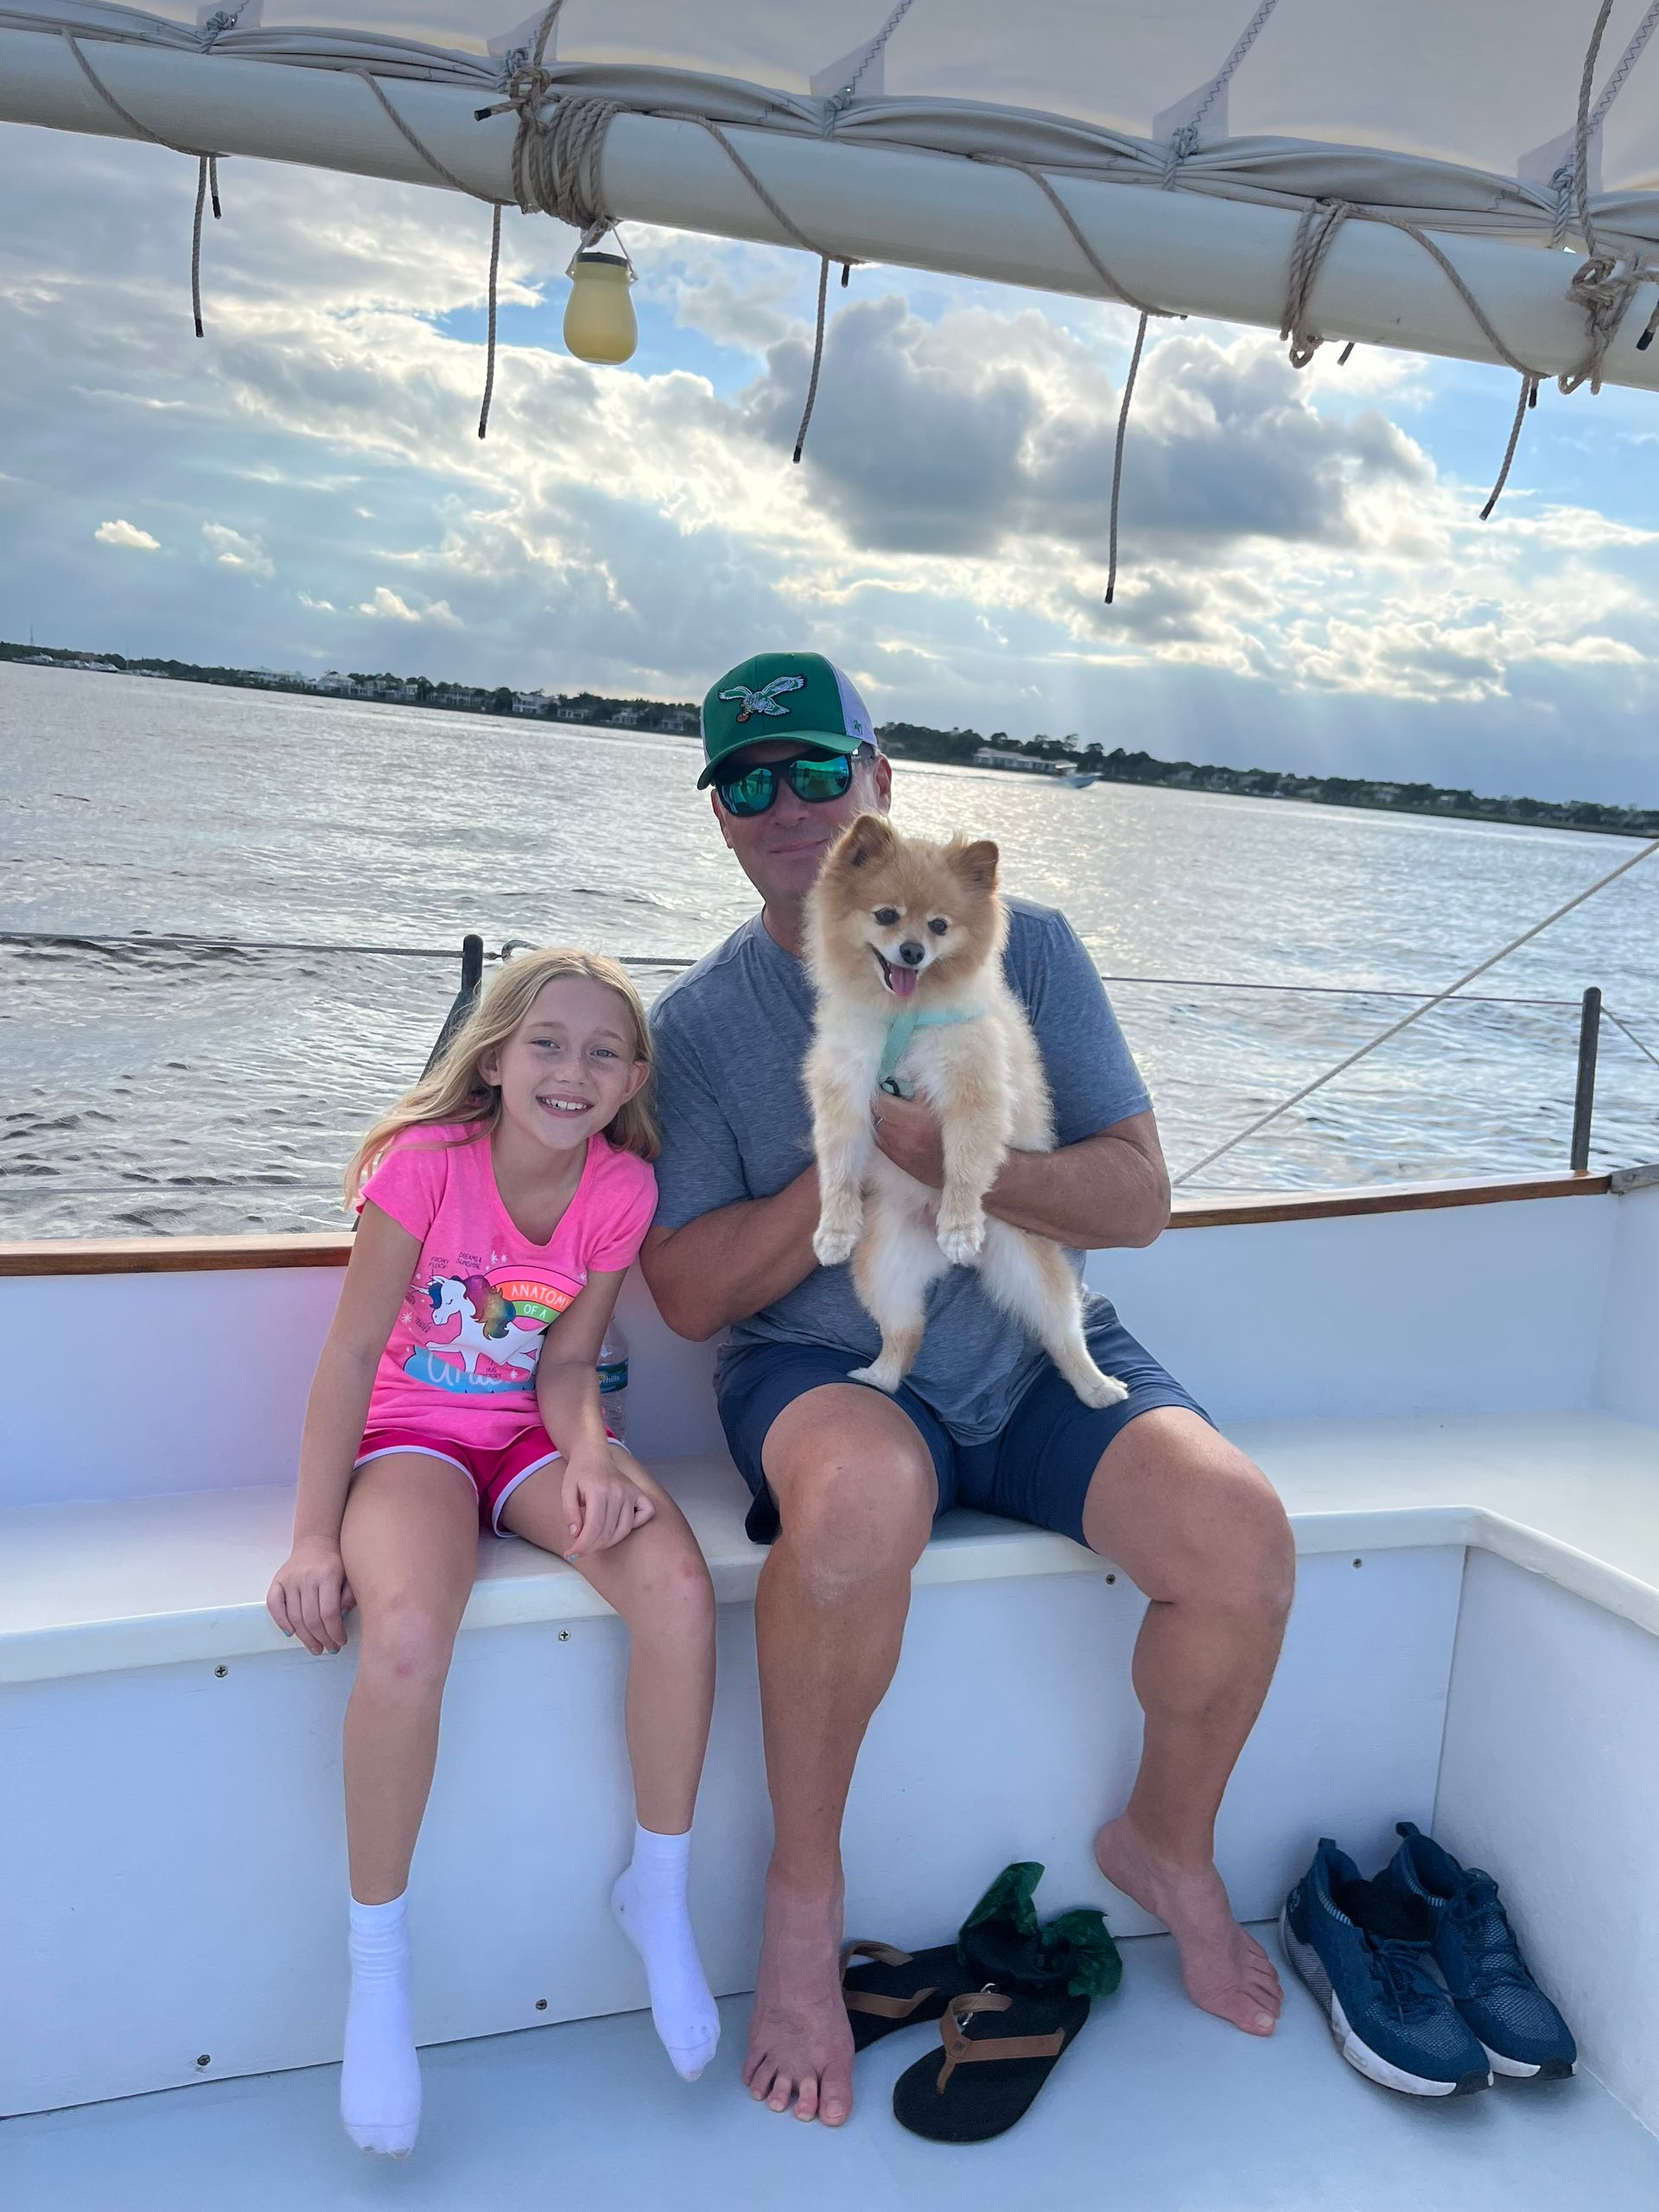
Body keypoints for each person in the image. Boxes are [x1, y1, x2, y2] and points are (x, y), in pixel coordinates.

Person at [641, 652, 1296, 2128]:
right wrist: (847, 1156)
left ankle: (1166, 1846)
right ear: (722, 818)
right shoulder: (694, 1029)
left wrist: (954, 1161)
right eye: (749, 782)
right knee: (858, 1502)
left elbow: (1133, 1199)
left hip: (1040, 1348)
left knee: (1241, 1541)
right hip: (835, 1366)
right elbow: (683, 1296)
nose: (788, 804)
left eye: (820, 769)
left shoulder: (1031, 949)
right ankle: (804, 1899)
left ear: (881, 778)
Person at [267, 948, 719, 2159]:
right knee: (407, 1633)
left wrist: (591, 1455)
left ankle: (660, 1897)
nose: (573, 1072)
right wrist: (314, 1536)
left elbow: (569, 1363)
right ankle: (379, 1972)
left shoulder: (620, 1191)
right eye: (548, 1044)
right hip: (410, 1438)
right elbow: (354, 1357)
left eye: (603, 1052)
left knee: (677, 1584)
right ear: (499, 1053)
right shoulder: (424, 1170)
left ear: (631, 1079)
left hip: (529, 1435)